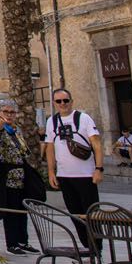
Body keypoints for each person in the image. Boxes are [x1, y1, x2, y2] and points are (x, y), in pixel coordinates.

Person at [42, 88, 102, 243]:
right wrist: (51, 172)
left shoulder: (84, 118)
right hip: (65, 176)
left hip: (86, 175)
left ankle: (97, 249)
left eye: (66, 100)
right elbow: (50, 147)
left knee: (92, 214)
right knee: (75, 214)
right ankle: (86, 247)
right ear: (54, 103)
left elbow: (96, 144)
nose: (63, 104)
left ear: (71, 101)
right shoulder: (51, 122)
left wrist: (99, 168)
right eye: (59, 101)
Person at [0, 100, 41, 255]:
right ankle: (12, 242)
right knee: (11, 210)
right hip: (7, 177)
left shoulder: (16, 130)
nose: (9, 115)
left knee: (22, 210)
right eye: (5, 112)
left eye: (12, 112)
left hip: (21, 176)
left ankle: (23, 241)